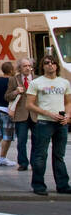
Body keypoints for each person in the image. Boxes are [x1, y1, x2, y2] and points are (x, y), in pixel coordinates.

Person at [26, 55, 71, 196]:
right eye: (46, 63)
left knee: (59, 155)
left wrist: (68, 116)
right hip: (44, 123)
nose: (50, 65)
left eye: (53, 63)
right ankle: (39, 185)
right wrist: (48, 113)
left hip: (61, 123)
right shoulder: (36, 83)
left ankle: (63, 185)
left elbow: (68, 102)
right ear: (42, 66)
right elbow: (29, 104)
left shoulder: (64, 82)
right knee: (40, 155)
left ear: (57, 66)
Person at [7, 58, 36, 171]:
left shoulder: (37, 79)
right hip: (20, 115)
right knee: (22, 141)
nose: (27, 68)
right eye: (25, 66)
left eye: (29, 65)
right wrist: (16, 92)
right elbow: (7, 96)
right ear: (20, 68)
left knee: (37, 140)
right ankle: (23, 163)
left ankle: (35, 162)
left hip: (35, 114)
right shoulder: (14, 80)